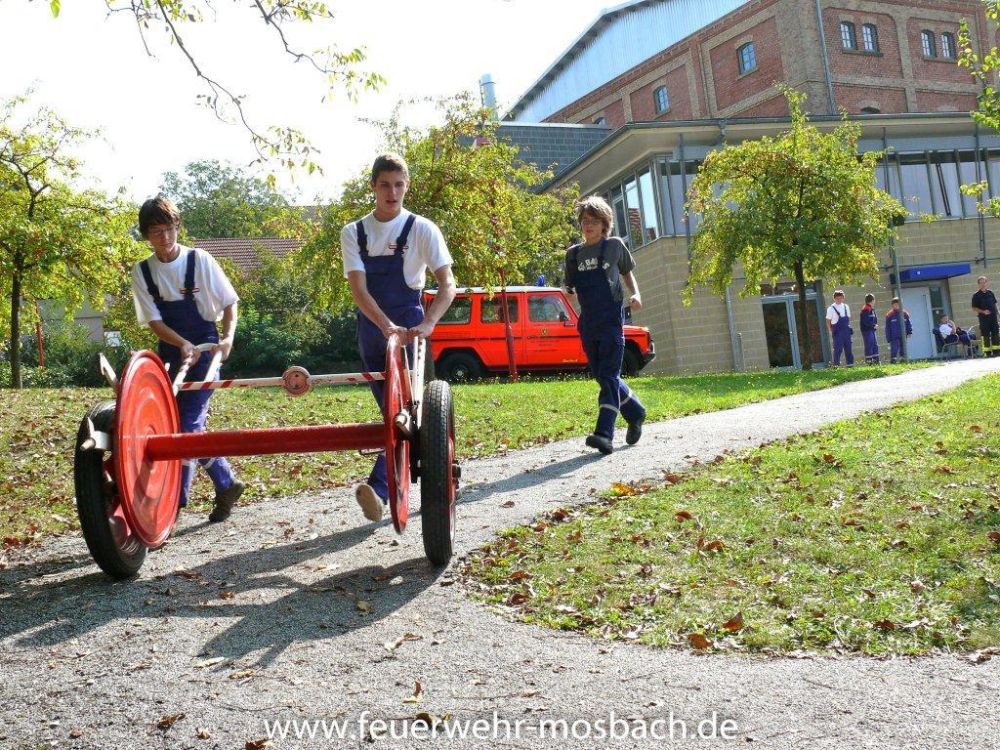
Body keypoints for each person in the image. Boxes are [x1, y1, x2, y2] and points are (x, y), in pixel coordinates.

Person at [342, 153, 457, 522]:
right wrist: (382, 325)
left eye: (399, 184)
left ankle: (379, 488)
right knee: (391, 413)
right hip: (372, 331)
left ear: (407, 185)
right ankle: (389, 484)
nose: (392, 192)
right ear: (373, 187)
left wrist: (428, 323)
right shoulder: (353, 233)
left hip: (410, 328)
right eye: (385, 185)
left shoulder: (423, 229)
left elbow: (447, 285)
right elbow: (359, 292)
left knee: (407, 414)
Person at [131, 196, 245, 522]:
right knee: (171, 426)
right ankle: (225, 483)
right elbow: (154, 321)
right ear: (146, 235)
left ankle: (176, 504)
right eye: (156, 232)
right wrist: (181, 344)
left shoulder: (200, 260)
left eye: (169, 230)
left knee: (187, 424)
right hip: (168, 352)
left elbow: (229, 303)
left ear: (177, 227)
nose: (164, 239)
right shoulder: (142, 272)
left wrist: (227, 339)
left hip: (207, 348)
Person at [565, 195, 646, 455]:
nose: (588, 225)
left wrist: (636, 294)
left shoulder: (614, 246)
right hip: (587, 324)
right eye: (585, 221)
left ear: (604, 224)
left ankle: (604, 434)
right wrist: (566, 290)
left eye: (594, 221)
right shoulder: (573, 254)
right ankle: (635, 412)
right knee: (603, 377)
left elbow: (626, 272)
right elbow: (569, 285)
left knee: (609, 376)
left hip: (611, 321)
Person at [972, 275, 999, 357]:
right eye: (981, 283)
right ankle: (987, 352)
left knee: (995, 333)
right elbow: (974, 308)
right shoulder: (976, 295)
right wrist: (983, 311)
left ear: (987, 283)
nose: (983, 284)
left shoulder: (991, 293)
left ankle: (996, 351)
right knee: (985, 335)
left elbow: (994, 305)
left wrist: (998, 313)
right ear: (978, 284)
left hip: (993, 317)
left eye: (984, 282)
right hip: (984, 319)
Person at [826, 290, 854, 366]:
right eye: (837, 298)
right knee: (838, 350)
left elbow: (848, 318)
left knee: (849, 349)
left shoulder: (846, 307)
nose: (839, 299)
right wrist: (830, 330)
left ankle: (850, 365)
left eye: (841, 298)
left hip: (846, 331)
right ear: (834, 298)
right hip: (837, 331)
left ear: (843, 298)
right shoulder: (831, 308)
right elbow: (828, 320)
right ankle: (836, 366)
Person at [884, 297, 912, 363]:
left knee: (903, 348)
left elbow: (908, 323)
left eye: (898, 305)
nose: (897, 306)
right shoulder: (889, 315)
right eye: (895, 305)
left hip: (903, 335)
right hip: (894, 336)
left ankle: (903, 360)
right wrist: (888, 337)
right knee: (894, 348)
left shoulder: (905, 314)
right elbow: (887, 327)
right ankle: (893, 360)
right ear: (892, 305)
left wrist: (909, 332)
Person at [859, 293, 879, 365]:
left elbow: (874, 319)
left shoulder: (871, 309)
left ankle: (876, 362)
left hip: (872, 330)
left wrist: (875, 325)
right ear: (872, 300)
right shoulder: (866, 309)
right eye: (874, 300)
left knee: (875, 346)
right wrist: (873, 325)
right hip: (867, 331)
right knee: (869, 346)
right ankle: (869, 363)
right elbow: (865, 321)